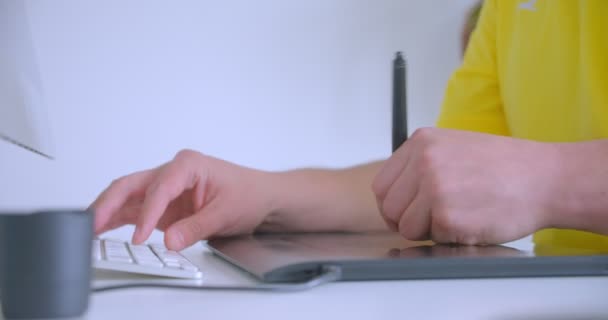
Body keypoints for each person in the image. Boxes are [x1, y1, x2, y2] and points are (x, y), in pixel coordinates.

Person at [91, 0, 608, 253]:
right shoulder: (508, 9)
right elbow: (427, 186)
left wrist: (551, 180)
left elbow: (524, 178)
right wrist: (263, 194)